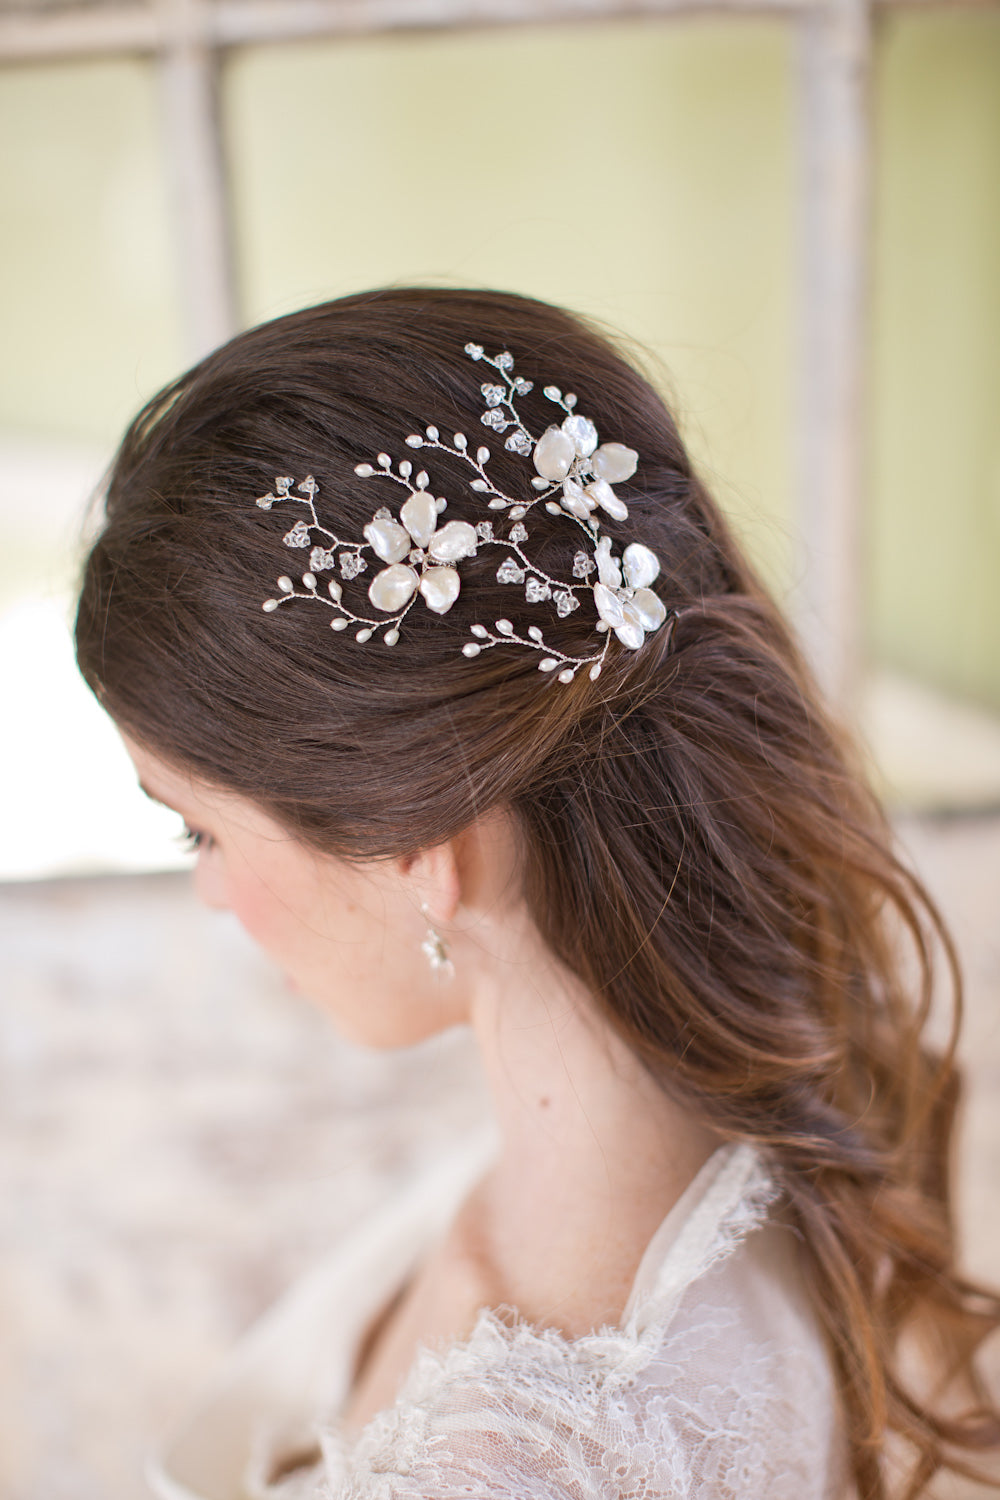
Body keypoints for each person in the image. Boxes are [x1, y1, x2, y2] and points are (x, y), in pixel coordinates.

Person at [74, 287, 1000, 1500]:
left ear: (419, 843)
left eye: (199, 829)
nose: (208, 894)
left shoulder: (521, 1464)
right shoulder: (714, 1127)